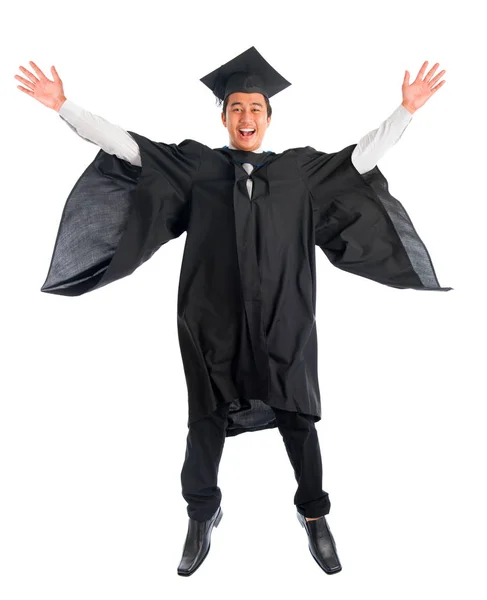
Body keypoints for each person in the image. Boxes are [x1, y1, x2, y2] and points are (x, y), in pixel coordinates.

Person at [15, 46, 451, 577]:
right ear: (223, 116)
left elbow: (360, 157)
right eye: (237, 108)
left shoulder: (300, 173)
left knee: (297, 414)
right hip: (210, 316)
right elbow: (130, 149)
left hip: (285, 316)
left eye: (256, 109)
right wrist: (64, 106)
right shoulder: (198, 166)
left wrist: (404, 110)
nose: (247, 117)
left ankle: (314, 515)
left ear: (269, 119)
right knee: (206, 416)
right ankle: (202, 514)